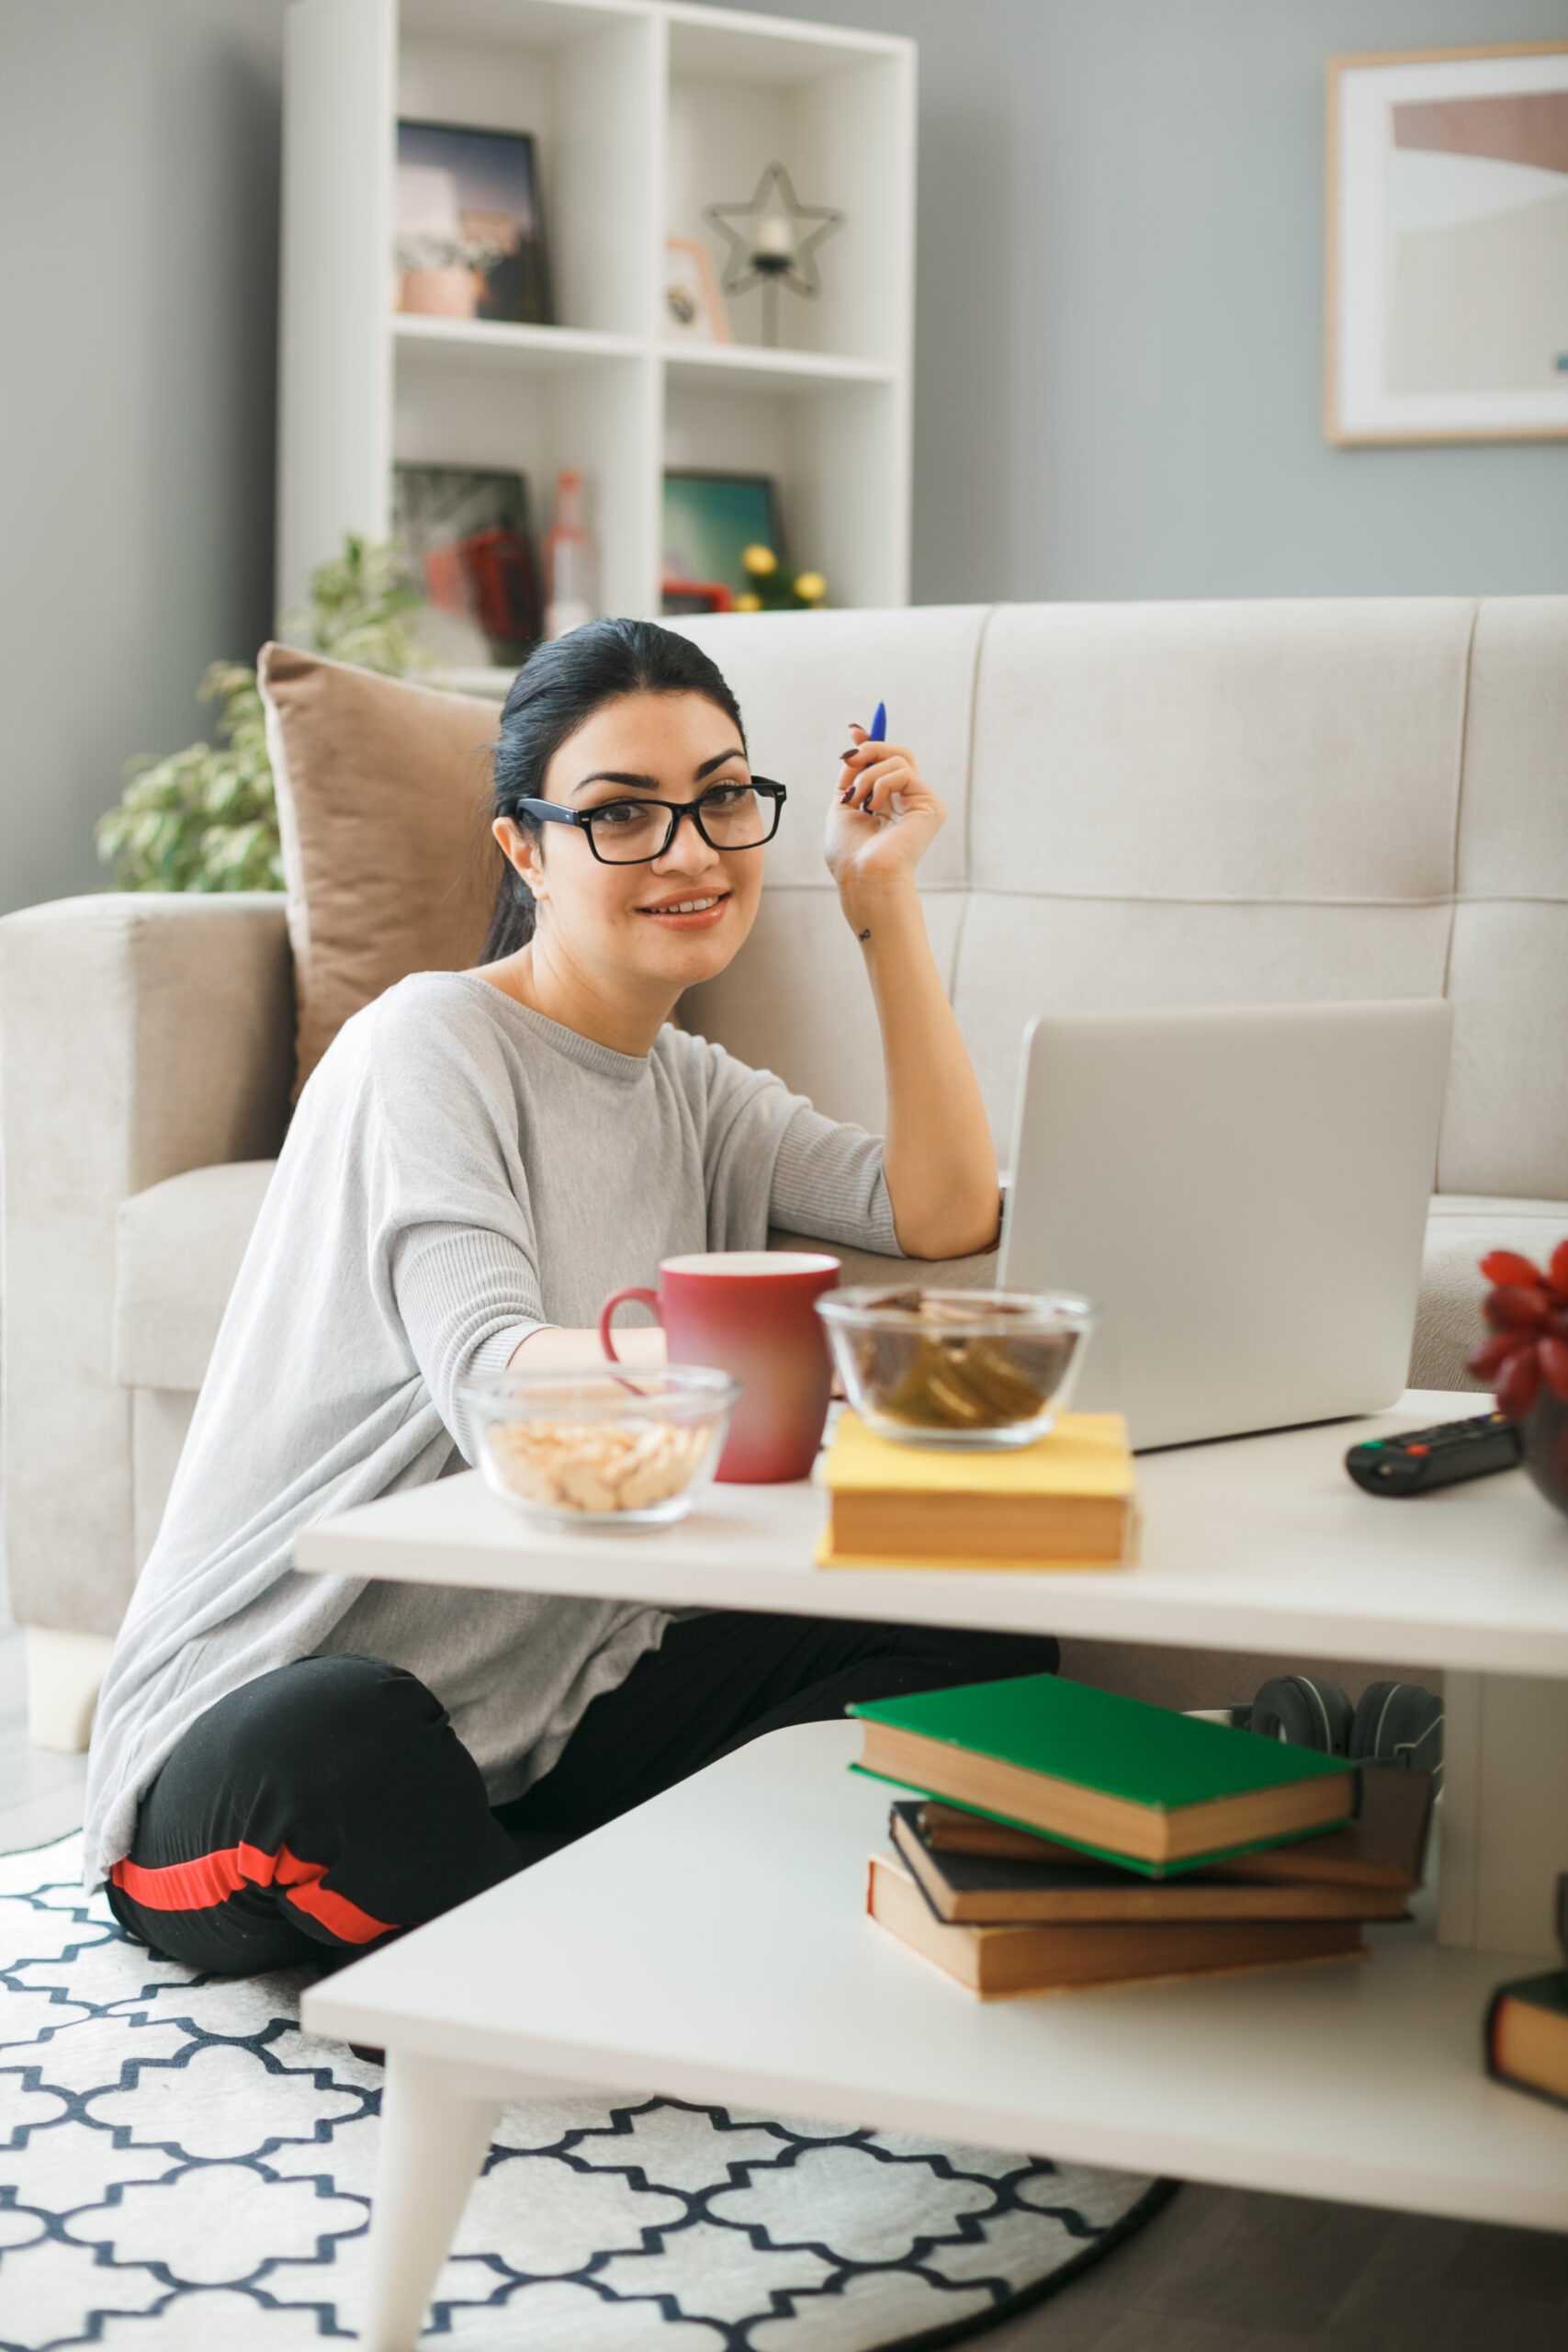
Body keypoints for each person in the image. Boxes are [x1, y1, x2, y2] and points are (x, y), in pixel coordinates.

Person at [85, 620, 1057, 1975]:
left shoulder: (697, 1089)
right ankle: (592, 1945)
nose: (690, 850)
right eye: (621, 815)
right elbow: (496, 1377)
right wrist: (758, 1383)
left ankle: (544, 1919)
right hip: (253, 1743)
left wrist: (881, 905)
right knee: (343, 1745)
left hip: (541, 1734)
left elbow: (940, 1207)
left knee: (984, 1626)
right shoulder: (428, 1041)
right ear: (524, 848)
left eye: (722, 797)